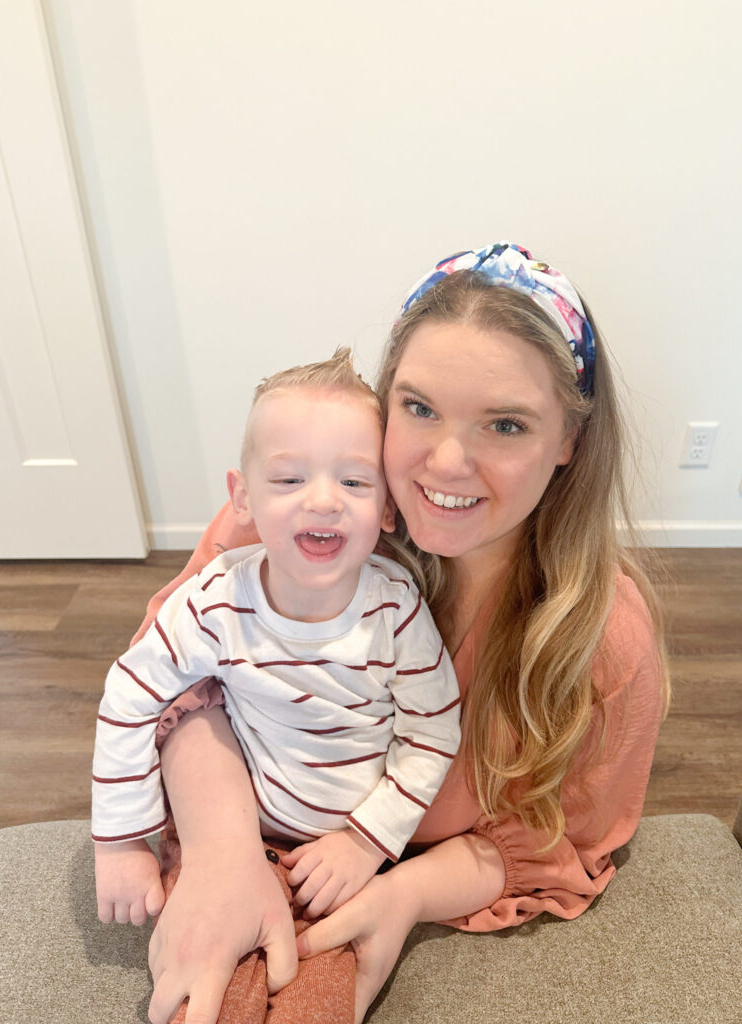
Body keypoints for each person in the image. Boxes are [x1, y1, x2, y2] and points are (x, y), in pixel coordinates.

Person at [141, 242, 669, 1024]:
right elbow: (172, 674)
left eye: (506, 424)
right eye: (419, 408)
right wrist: (220, 853)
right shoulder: (311, 523)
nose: (446, 462)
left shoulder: (603, 644)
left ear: (569, 443)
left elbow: (555, 838)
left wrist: (404, 896)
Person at [92, 350, 462, 1010]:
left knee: (315, 998)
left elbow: (433, 733)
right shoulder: (214, 601)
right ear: (243, 495)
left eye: (353, 482)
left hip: (347, 860)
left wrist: (363, 841)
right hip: (237, 840)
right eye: (289, 479)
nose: (322, 500)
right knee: (199, 996)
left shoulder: (395, 608)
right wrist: (121, 843)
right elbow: (130, 692)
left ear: (385, 509)